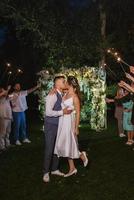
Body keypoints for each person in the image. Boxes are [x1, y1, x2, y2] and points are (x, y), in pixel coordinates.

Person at [54, 76, 88, 177]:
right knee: (64, 145)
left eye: (65, 82)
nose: (64, 84)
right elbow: (57, 88)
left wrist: (76, 127)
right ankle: (72, 168)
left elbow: (78, 113)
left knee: (69, 144)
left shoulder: (75, 97)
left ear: (69, 84)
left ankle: (81, 155)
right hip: (62, 121)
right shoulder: (65, 93)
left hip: (69, 122)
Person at [43, 76, 72, 183]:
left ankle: (54, 169)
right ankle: (46, 172)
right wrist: (62, 112)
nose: (65, 82)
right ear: (57, 84)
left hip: (59, 125)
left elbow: (72, 88)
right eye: (63, 81)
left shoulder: (60, 93)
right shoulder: (52, 94)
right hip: (50, 125)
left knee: (57, 148)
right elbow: (48, 112)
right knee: (49, 149)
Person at [0, 86, 12, 152]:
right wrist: (7, 89)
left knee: (8, 132)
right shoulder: (1, 99)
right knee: (2, 133)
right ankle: (2, 146)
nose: (4, 91)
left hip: (9, 118)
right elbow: (4, 93)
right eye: (2, 90)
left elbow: (12, 96)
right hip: (3, 118)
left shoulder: (7, 99)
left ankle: (7, 144)